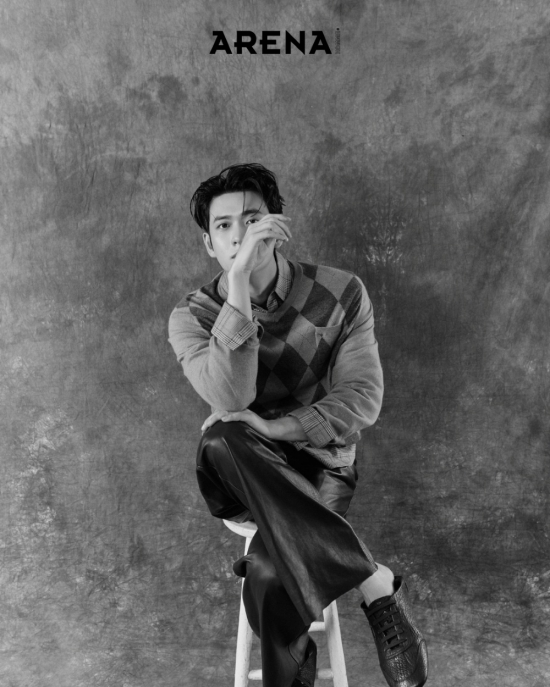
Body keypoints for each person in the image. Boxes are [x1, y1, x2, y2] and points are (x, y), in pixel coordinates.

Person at [168, 163, 428, 687]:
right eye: (223, 226)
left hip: (320, 465)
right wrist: (238, 284)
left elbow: (361, 399)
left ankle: (294, 666)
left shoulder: (341, 292)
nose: (239, 235)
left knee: (267, 574)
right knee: (221, 436)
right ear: (208, 244)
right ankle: (370, 578)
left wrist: (277, 429)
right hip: (239, 474)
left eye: (252, 219)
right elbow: (232, 398)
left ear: (277, 226)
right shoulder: (191, 316)